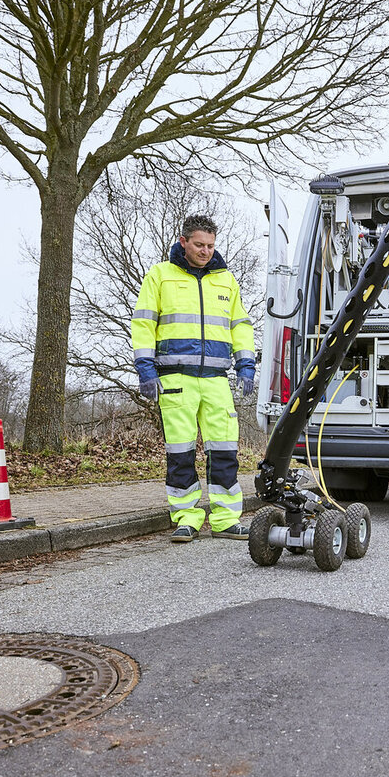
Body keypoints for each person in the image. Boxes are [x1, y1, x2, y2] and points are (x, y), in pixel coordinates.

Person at [132, 215, 255, 542]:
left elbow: (240, 325)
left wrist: (246, 364)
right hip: (176, 378)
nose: (205, 251)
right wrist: (145, 368)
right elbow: (143, 323)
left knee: (226, 449)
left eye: (211, 245)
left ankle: (226, 520)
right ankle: (186, 517)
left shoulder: (226, 280)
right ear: (183, 241)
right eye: (199, 245)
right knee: (180, 451)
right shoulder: (160, 276)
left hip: (216, 379)